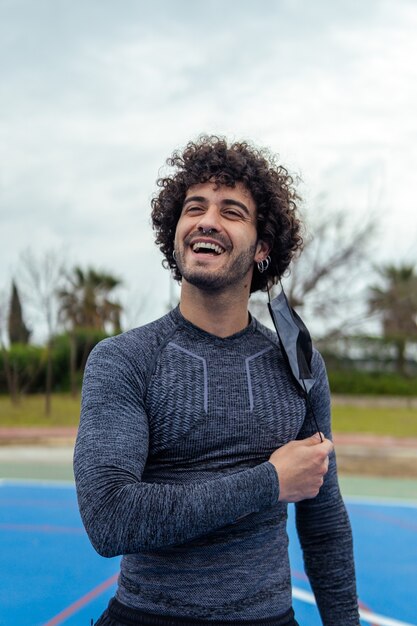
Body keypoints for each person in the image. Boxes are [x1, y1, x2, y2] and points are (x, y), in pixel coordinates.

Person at [74, 136, 360, 626]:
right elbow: (110, 516)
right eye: (194, 208)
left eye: (231, 211)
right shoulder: (124, 359)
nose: (207, 220)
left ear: (262, 248)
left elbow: (324, 521)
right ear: (176, 230)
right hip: (146, 616)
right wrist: (270, 482)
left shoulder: (299, 363)